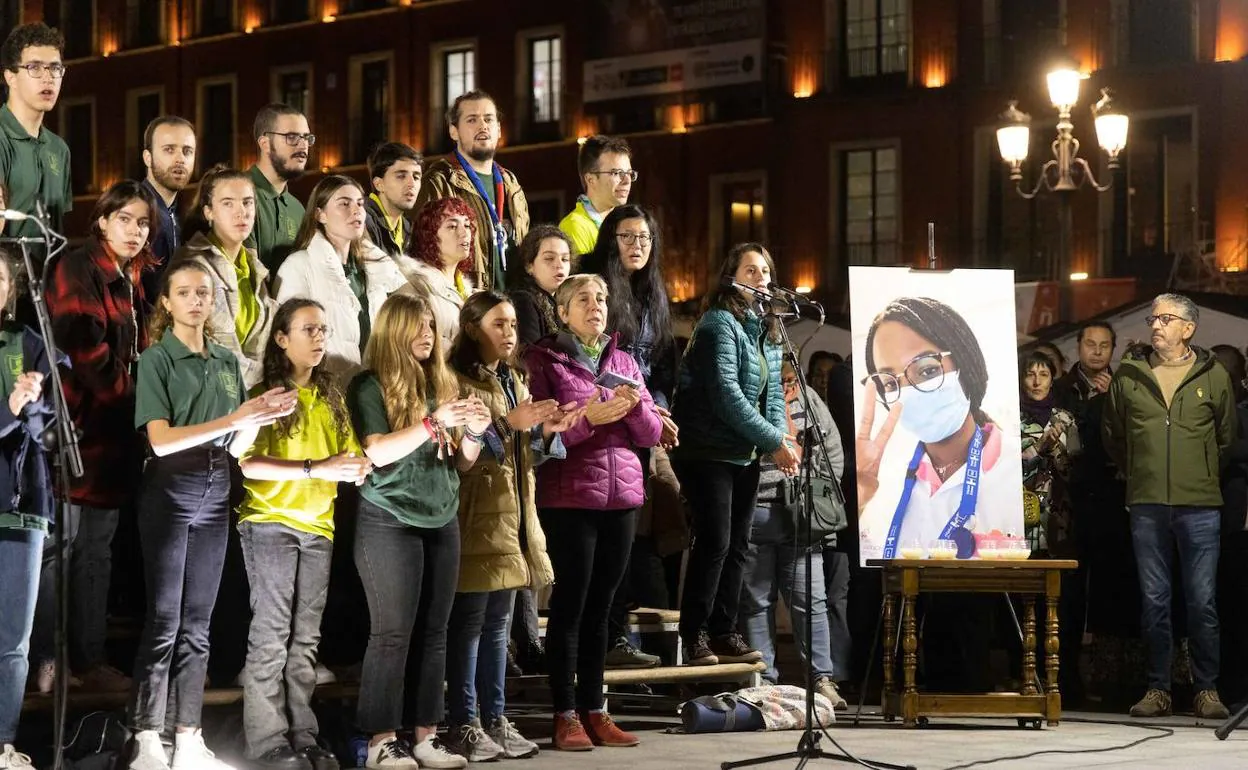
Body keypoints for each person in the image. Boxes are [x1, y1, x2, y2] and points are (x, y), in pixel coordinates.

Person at [127, 260, 297, 770]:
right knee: (164, 620)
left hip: (216, 489)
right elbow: (158, 440)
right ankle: (146, 736)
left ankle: (189, 735)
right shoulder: (157, 359)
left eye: (205, 292)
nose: (197, 301)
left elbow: (235, 442)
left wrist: (260, 415)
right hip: (170, 491)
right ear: (167, 303)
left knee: (198, 623)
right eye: (185, 293)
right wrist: (235, 417)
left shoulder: (225, 360)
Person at [347, 292, 490, 770]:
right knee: (391, 634)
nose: (428, 335)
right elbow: (378, 453)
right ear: (394, 331)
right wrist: (434, 423)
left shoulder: (441, 383)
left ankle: (427, 735)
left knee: (436, 632)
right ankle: (380, 741)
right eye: (418, 326)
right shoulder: (370, 385)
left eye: (432, 326)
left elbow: (463, 464)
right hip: (389, 518)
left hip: (440, 515)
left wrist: (472, 432)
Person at [524, 274, 661, 751]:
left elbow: (649, 435)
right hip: (570, 497)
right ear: (561, 311)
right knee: (570, 607)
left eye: (601, 298)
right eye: (582, 299)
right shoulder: (544, 360)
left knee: (603, 608)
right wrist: (588, 420)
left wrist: (633, 410)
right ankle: (564, 713)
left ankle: (596, 709)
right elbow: (539, 437)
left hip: (622, 498)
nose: (595, 305)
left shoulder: (623, 359)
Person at [237, 298, 372, 770]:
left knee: (306, 639)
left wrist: (355, 467)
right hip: (270, 522)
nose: (319, 338)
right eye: (308, 329)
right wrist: (317, 467)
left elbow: (348, 457)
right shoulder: (266, 394)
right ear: (281, 338)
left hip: (319, 526)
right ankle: (268, 740)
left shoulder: (330, 395)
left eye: (323, 330)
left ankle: (303, 734)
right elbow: (249, 463)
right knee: (272, 633)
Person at [443, 291, 578, 761]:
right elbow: (462, 460)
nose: (509, 333)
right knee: (469, 626)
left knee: (499, 625)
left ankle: (495, 719)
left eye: (514, 325)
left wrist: (544, 431)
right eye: (498, 324)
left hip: (514, 516)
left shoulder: (514, 379)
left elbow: (527, 456)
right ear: (472, 328)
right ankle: (464, 721)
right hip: (476, 515)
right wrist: (508, 424)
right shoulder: (455, 380)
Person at [43, 180, 160, 692]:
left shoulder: (131, 277)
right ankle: (49, 662)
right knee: (61, 549)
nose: (135, 231)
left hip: (113, 443)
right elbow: (84, 350)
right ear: (102, 220)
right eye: (126, 219)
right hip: (77, 433)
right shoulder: (79, 266)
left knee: (97, 551)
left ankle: (87, 661)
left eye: (143, 223)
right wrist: (141, 401)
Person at [1102, 293, 1235, 720]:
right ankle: (1158, 688)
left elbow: (1226, 437)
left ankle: (1207, 690)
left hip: (1199, 504)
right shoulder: (1129, 374)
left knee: (1202, 601)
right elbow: (1114, 436)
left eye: (1166, 318)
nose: (1156, 325)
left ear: (1188, 328)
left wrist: (1200, 473)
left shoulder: (1213, 375)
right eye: (1152, 317)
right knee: (1154, 599)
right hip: (1146, 503)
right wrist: (1141, 472)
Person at [671, 243, 794, 666]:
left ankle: (725, 630)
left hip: (743, 453)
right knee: (715, 542)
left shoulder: (768, 328)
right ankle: (696, 634)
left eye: (765, 270)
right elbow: (727, 396)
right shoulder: (718, 324)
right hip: (707, 451)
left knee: (740, 544)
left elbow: (772, 394)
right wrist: (773, 441)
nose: (760, 278)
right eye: (751, 270)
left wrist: (776, 437)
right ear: (731, 276)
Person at [581, 204, 678, 668]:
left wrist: (658, 406)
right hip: (602, 420)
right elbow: (593, 361)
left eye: (644, 238)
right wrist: (639, 403)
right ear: (609, 241)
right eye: (626, 237)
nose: (637, 246)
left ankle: (624, 636)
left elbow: (659, 365)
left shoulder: (653, 294)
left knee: (639, 533)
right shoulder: (597, 290)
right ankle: (609, 637)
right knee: (608, 538)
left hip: (640, 422)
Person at [855, 297, 1022, 558]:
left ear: (964, 365)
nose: (908, 392)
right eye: (890, 383)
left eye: (926, 370)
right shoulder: (882, 480)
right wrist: (859, 502)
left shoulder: (1015, 466)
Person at [740, 361, 847, 709]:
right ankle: (764, 681)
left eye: (790, 378)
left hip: (801, 517)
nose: (786, 384)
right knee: (757, 602)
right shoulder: (748, 395)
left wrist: (821, 493)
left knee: (811, 601)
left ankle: (821, 679)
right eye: (780, 377)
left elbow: (833, 451)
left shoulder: (811, 400)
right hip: (757, 509)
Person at [0, 249, 55, 770]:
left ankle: (3, 742)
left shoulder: (28, 343)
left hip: (21, 503)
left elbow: (50, 426)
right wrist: (8, 410)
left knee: (14, 639)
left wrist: (36, 402)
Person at [275, 175, 410, 383]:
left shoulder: (375, 269)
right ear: (320, 215)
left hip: (372, 389)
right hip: (326, 389)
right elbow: (289, 341)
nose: (356, 210)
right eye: (344, 204)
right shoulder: (298, 266)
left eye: (360, 204)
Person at [416, 90, 529, 292]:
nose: (483, 125)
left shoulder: (511, 183)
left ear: (499, 129)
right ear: (453, 131)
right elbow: (425, 253)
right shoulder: (439, 182)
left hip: (513, 309)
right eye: (472, 120)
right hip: (469, 306)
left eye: (488, 119)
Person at [176, 165, 275, 389]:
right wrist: (269, 373)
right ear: (208, 211)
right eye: (228, 203)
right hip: (210, 398)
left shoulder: (252, 266)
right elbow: (210, 347)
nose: (241, 212)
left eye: (247, 202)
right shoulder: (194, 266)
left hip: (250, 401)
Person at [0, 23, 71, 238]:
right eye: (35, 68)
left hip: (49, 269)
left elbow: (60, 227)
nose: (48, 77)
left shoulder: (59, 149)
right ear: (10, 77)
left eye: (55, 68)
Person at [1019, 351, 1078, 556]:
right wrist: (1038, 448)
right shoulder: (1010, 420)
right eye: (1030, 375)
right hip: (1022, 518)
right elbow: (1006, 471)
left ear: (1052, 380)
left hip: (1060, 519)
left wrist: (1055, 451)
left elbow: (1077, 473)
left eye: (1043, 375)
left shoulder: (1065, 420)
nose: (1037, 382)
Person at [247, 103, 312, 273]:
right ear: (265, 143)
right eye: (292, 137)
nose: (303, 145)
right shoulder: (239, 194)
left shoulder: (297, 209)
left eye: (306, 137)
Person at [406, 197, 477, 351]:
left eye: (467, 225)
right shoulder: (416, 288)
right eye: (452, 226)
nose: (464, 233)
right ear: (429, 236)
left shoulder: (468, 291)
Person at [141, 116, 197, 301]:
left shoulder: (179, 215)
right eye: (169, 150)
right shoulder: (135, 210)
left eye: (187, 151)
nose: (180, 159)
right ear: (147, 158)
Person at [558, 135, 634, 257]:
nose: (627, 181)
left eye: (629, 173)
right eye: (616, 173)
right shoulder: (575, 226)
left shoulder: (626, 225)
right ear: (590, 179)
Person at [507, 225, 571, 347]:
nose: (559, 265)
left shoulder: (563, 299)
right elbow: (530, 356)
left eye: (565, 259)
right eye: (549, 258)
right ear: (529, 265)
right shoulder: (523, 301)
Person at [364, 142, 422, 258]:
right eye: (401, 176)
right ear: (379, 184)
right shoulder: (361, 221)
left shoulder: (409, 229)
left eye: (416, 177)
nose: (412, 184)